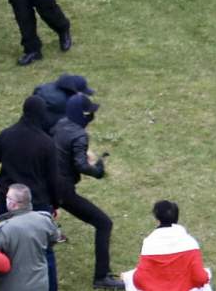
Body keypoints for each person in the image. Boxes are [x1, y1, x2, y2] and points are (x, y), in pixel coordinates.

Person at [51, 95, 124, 288]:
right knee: (104, 223)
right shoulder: (79, 135)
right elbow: (81, 165)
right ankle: (101, 277)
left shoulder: (60, 124)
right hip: (63, 191)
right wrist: (98, 171)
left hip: (47, 183)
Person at [0, 95, 60, 215]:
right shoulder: (47, 143)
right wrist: (54, 203)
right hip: (36, 200)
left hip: (9, 196)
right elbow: (53, 178)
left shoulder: (6, 135)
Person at [0, 184, 59, 291]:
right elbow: (54, 238)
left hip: (9, 286)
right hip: (39, 285)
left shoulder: (4, 229)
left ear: (13, 204)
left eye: (7, 198)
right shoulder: (44, 220)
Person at [126, 200, 211, 291]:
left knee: (130, 276)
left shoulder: (149, 243)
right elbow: (200, 277)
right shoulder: (190, 243)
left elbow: (140, 279)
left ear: (157, 218)